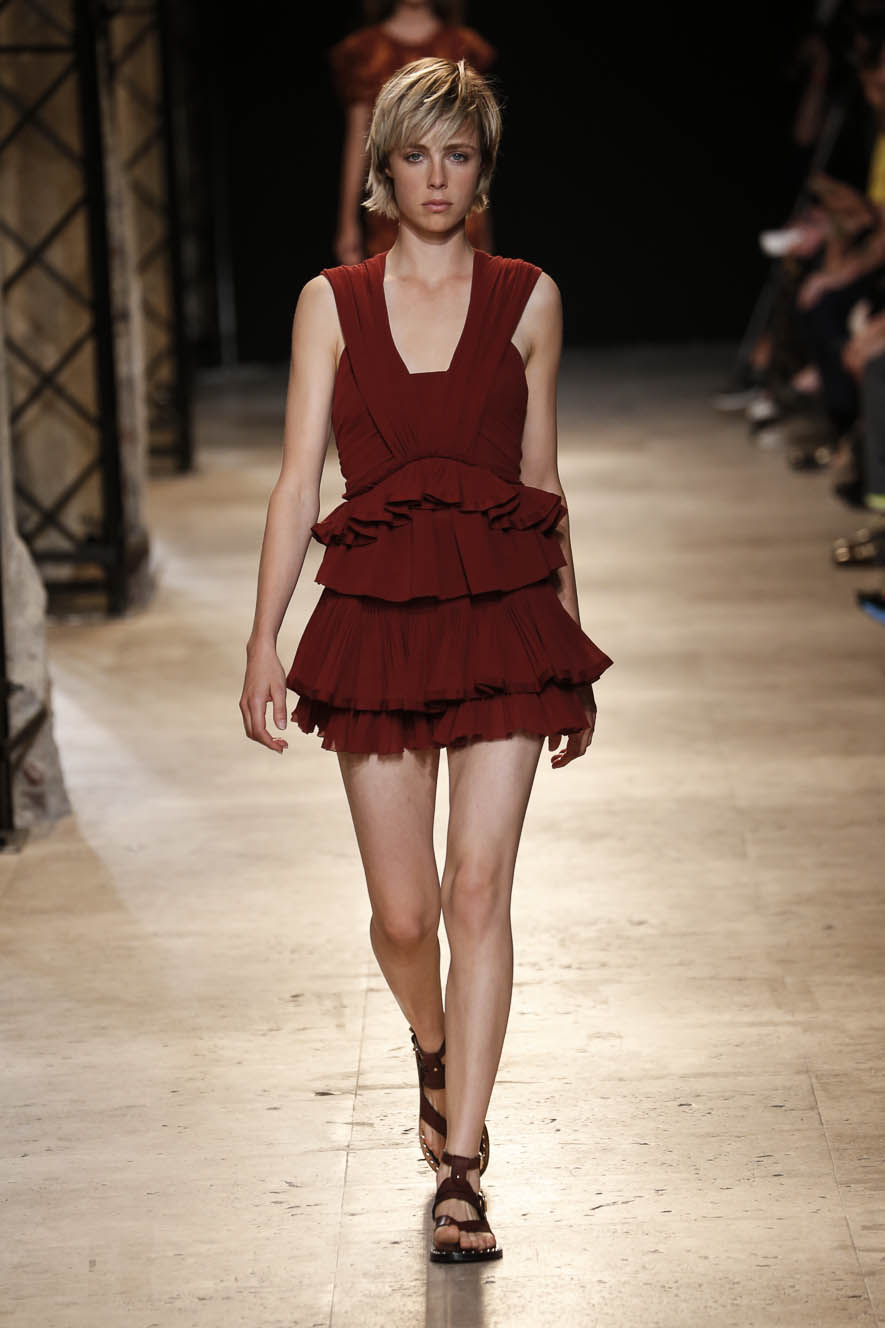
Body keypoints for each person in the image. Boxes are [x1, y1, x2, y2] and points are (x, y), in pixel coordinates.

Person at [239, 56, 614, 1263]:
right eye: (416, 154)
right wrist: (263, 638)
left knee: (478, 890)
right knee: (405, 915)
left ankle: (463, 1165)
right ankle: (434, 1043)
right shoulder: (330, 303)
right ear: (383, 170)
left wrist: (570, 640)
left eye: (458, 153)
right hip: (378, 622)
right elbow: (296, 480)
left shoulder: (530, 299)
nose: (437, 177)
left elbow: (542, 479)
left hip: (504, 618)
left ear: (482, 168)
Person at [329, 0, 495, 263]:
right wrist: (347, 222)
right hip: (393, 210)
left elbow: (476, 143)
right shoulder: (367, 51)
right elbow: (359, 139)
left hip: (462, 212)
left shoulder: (463, 46)